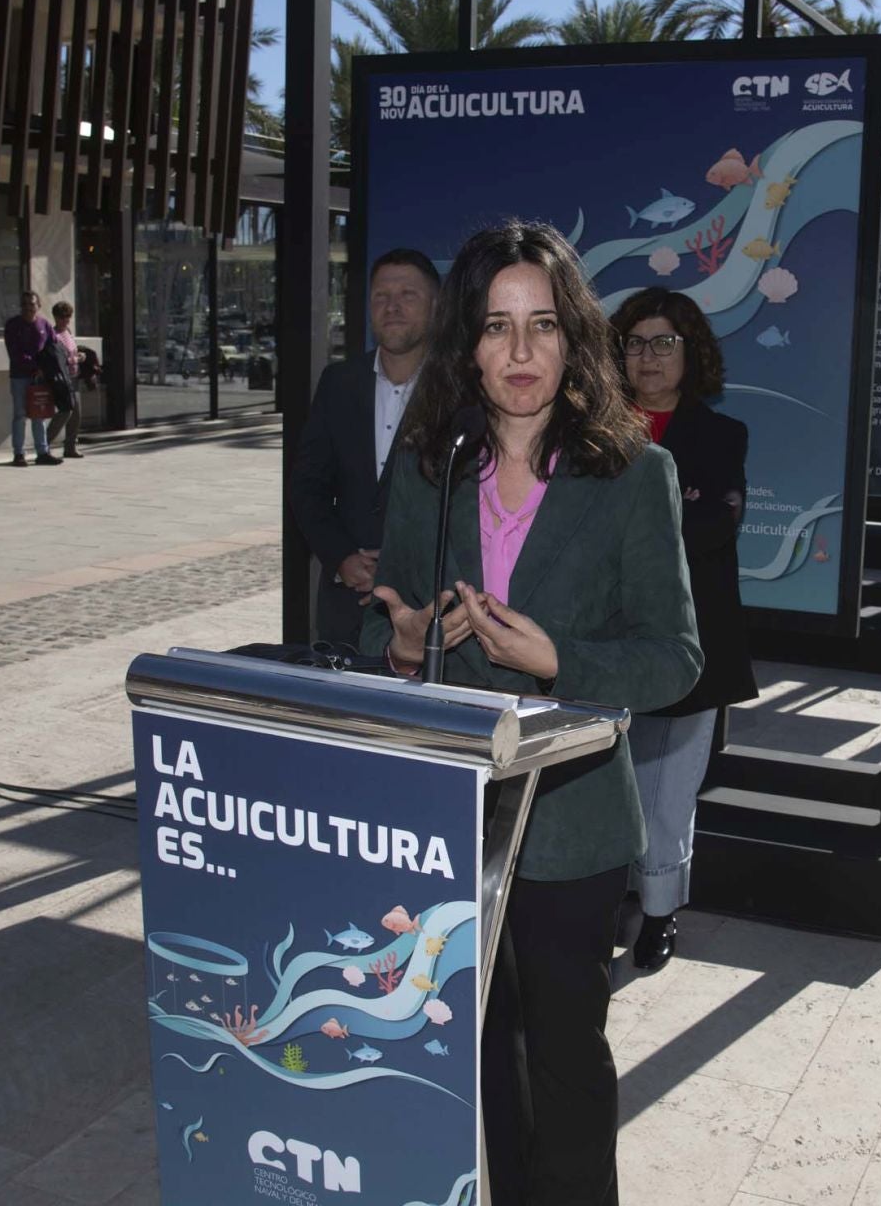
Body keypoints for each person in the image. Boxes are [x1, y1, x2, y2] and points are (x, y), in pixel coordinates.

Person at [362, 221, 701, 1206]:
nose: (519, 353)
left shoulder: (635, 474)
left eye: (542, 325)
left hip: (571, 822)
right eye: (498, 326)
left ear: (573, 337)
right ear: (468, 340)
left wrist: (560, 660)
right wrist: (407, 642)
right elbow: (382, 621)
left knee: (563, 1055)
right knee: (480, 1051)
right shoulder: (430, 469)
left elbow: (677, 656)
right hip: (446, 814)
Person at [609, 287, 757, 973]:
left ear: (690, 353)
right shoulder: (589, 430)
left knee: (668, 788)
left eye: (664, 342)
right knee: (600, 782)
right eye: (636, 342)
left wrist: (621, 542)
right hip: (596, 645)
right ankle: (605, 897)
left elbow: (712, 524)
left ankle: (661, 913)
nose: (648, 356)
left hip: (687, 645)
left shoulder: (722, 437)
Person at [289, 248, 441, 649]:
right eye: (380, 296)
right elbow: (308, 487)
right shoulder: (338, 383)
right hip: (345, 610)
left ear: (437, 307)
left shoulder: (460, 392)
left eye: (408, 295)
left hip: (430, 615)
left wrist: (399, 569)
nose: (392, 306)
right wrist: (342, 558)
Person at [4, 291, 60, 467]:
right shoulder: (13, 325)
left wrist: (48, 368)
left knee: (39, 415)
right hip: (20, 376)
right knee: (20, 415)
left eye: (32, 304)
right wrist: (35, 367)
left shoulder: (44, 324)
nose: (29, 308)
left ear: (38, 306)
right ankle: (19, 454)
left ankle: (42, 452)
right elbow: (15, 353)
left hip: (40, 378)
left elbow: (54, 347)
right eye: (25, 305)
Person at [42, 301, 86, 459]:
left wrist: (80, 355)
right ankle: (44, 443)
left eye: (68, 317)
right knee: (65, 412)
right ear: (56, 317)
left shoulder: (68, 332)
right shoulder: (54, 336)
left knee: (77, 414)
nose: (66, 320)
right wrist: (75, 360)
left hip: (74, 377)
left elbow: (72, 352)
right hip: (62, 379)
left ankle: (70, 446)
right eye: (62, 317)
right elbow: (59, 359)